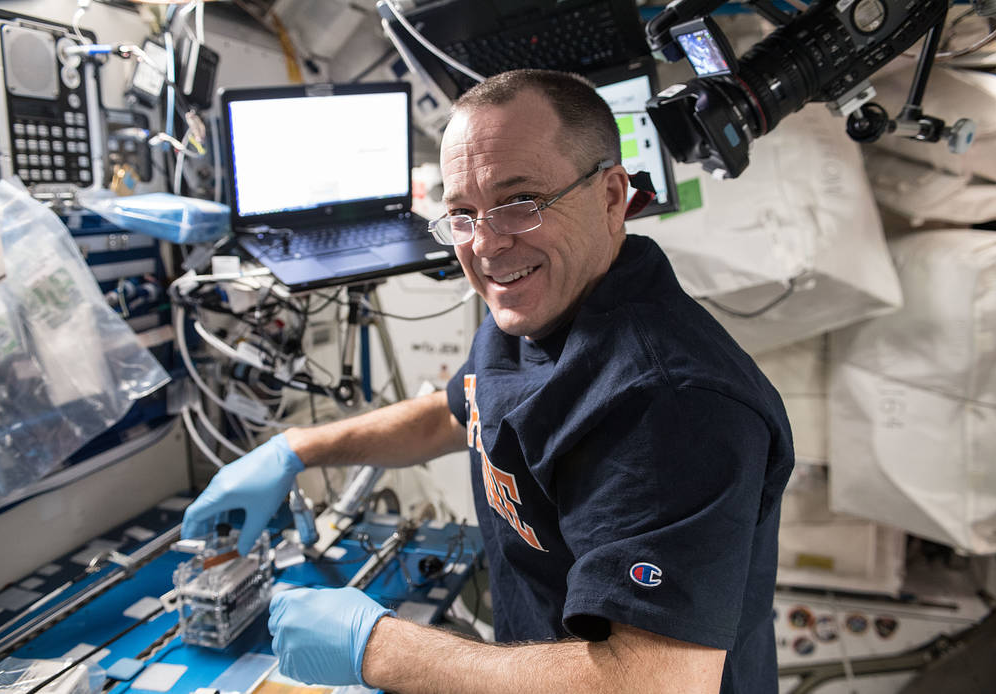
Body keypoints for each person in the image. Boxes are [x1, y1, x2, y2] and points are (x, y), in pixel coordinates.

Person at [182, 69, 793, 694]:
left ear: (612, 197)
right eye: (463, 215)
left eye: (519, 201)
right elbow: (457, 412)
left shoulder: (669, 403)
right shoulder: (533, 307)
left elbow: (656, 682)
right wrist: (295, 450)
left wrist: (379, 647)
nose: (487, 243)